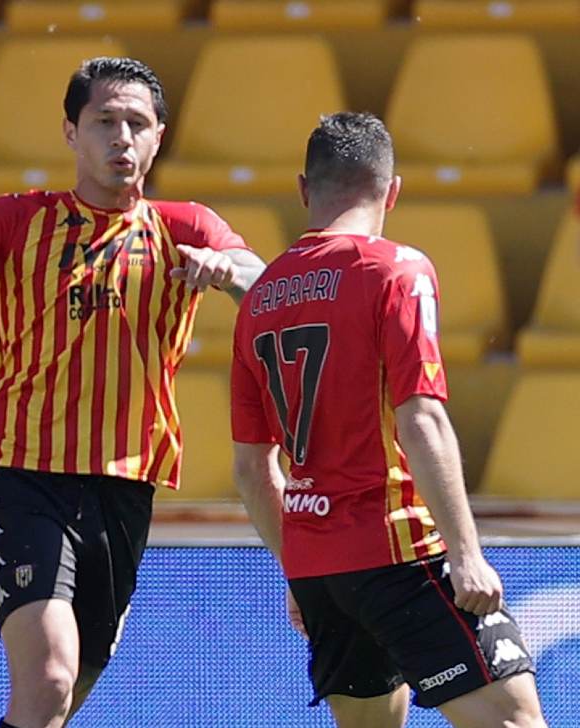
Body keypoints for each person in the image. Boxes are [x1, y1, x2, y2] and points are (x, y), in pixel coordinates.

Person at [0, 57, 266, 728]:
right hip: (24, 475)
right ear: (70, 132)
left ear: (159, 137)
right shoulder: (15, 219)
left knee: (63, 696)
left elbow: (268, 284)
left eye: (136, 123)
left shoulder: (187, 227)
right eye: (104, 121)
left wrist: (226, 271)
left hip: (125, 487)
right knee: (51, 676)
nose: (121, 138)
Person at [230, 112, 546, 727]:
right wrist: (466, 554)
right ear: (392, 191)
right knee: (515, 721)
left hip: (320, 571)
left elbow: (251, 468)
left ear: (303, 189)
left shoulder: (259, 300)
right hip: (401, 553)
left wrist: (298, 568)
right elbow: (421, 418)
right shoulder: (395, 270)